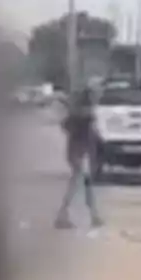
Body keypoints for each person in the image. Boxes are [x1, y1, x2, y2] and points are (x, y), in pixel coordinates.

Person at [56, 86, 103, 229]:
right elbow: (89, 136)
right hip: (81, 153)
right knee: (77, 185)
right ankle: (62, 215)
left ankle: (93, 216)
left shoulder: (78, 113)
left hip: (77, 152)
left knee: (83, 185)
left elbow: (66, 126)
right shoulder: (86, 115)